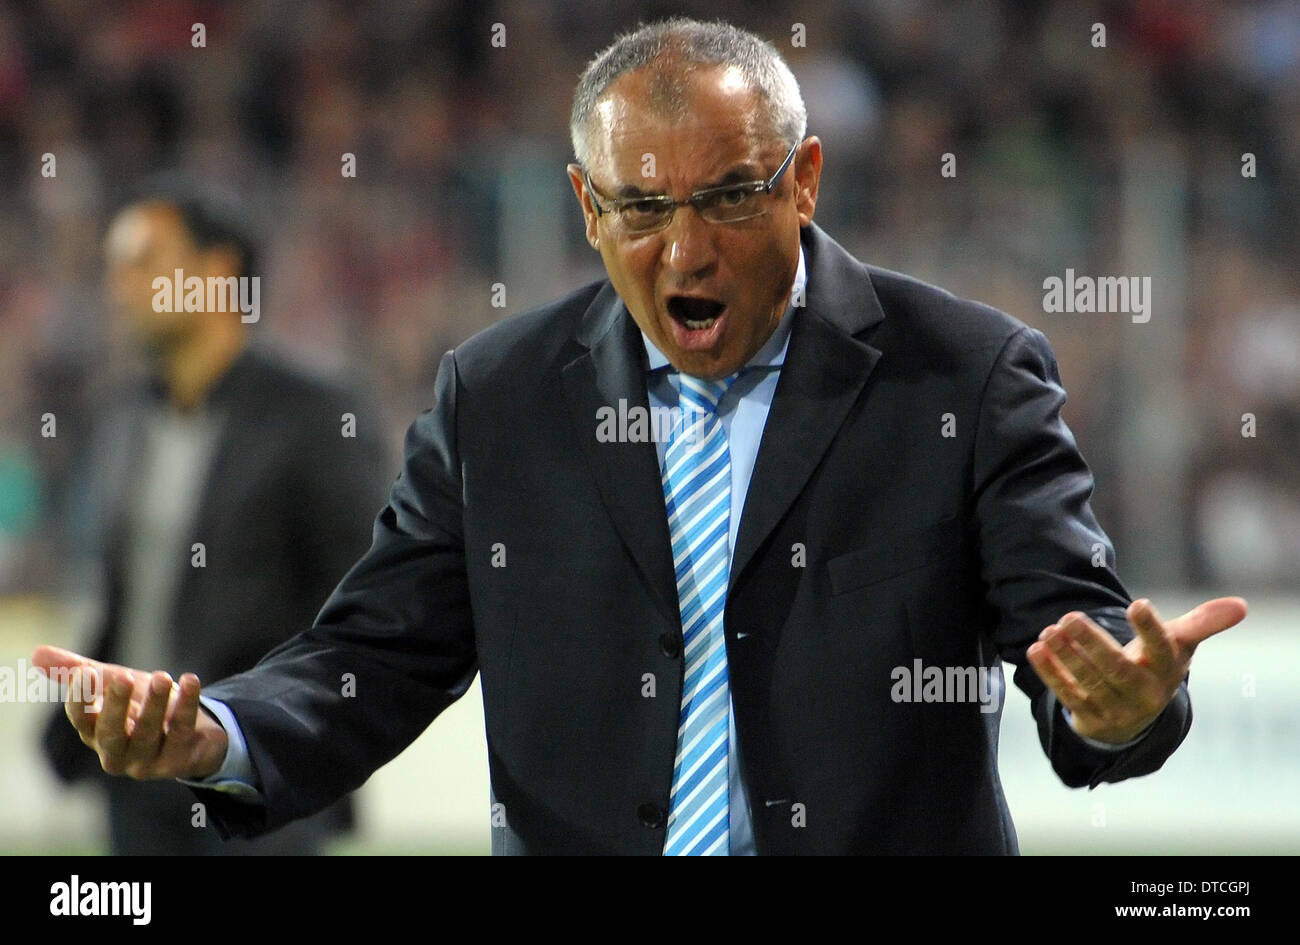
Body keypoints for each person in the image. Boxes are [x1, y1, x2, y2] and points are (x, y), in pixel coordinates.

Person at [35, 19, 1245, 855]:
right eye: (642, 208)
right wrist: (216, 732)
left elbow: (1077, 643)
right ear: (582, 204)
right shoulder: (498, 398)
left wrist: (1118, 706)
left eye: (729, 196)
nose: (686, 250)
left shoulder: (967, 376)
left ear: (805, 179)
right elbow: (374, 658)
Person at [39, 181, 388, 854]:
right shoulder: (124, 418)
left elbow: (362, 594)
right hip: (135, 783)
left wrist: (288, 728)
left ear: (218, 270)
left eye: (143, 261)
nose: (119, 286)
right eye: (115, 267)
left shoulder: (314, 411)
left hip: (255, 776)